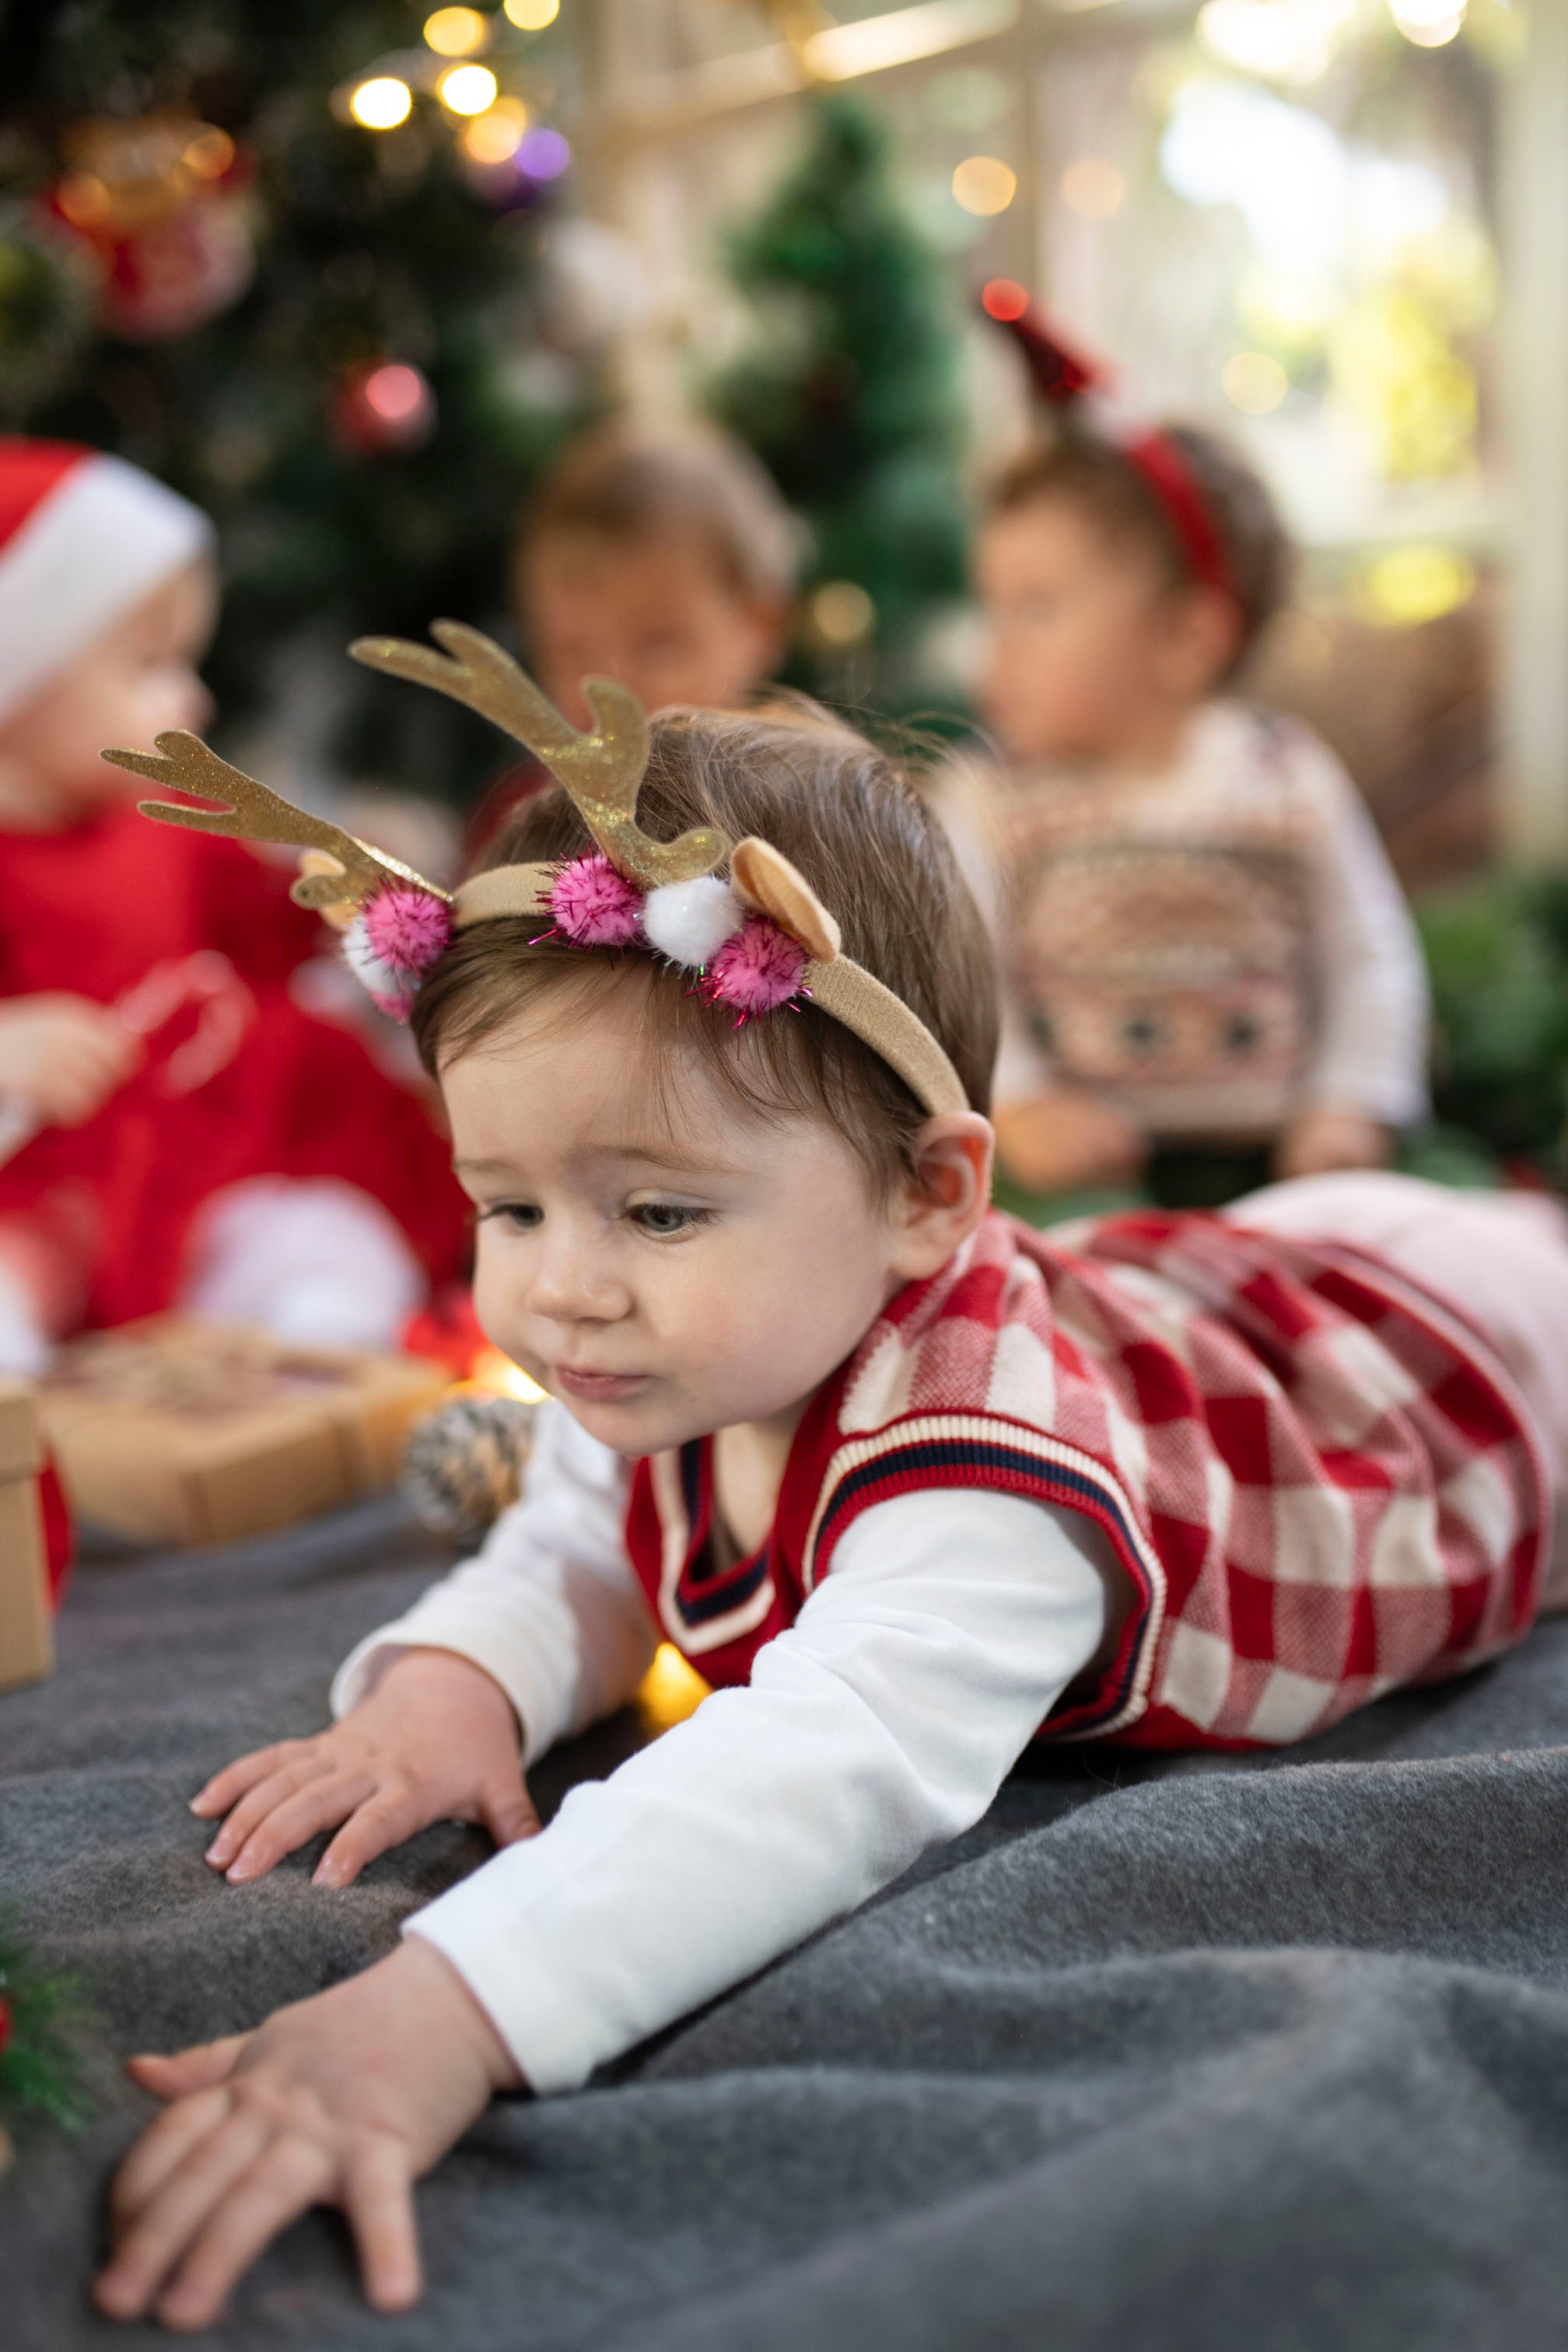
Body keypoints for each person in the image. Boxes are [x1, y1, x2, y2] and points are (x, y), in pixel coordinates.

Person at [96, 634, 1565, 2329]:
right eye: (509, 1207)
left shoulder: (988, 1488)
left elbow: (812, 1770)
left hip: (1464, 1356)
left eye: (655, 1211)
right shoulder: (674, 1349)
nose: (563, 1287)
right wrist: (455, 1684)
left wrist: (448, 2008)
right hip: (1236, 1271)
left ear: (929, 1198)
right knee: (1245, 1261)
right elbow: (577, 1532)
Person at [944, 309, 1429, 1209]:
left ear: (1185, 637)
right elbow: (960, 972)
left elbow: (1372, 958)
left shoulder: (1287, 775)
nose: (993, 651)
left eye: (1037, 609)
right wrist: (1022, 1097)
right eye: (993, 607)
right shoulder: (988, 793)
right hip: (1083, 1180)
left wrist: (1351, 1103)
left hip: (1279, 1164)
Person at [0, 439, 468, 1367]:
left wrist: (346, 869)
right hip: (47, 1179)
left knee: (308, 1232)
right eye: (149, 666)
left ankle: (304, 1342)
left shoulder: (160, 816)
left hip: (204, 1153)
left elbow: (268, 911)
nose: (195, 702)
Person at [466, 417, 796, 853]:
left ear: (759, 628)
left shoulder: (800, 821)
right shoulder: (521, 820)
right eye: (576, 654)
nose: (611, 693)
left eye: (657, 646)